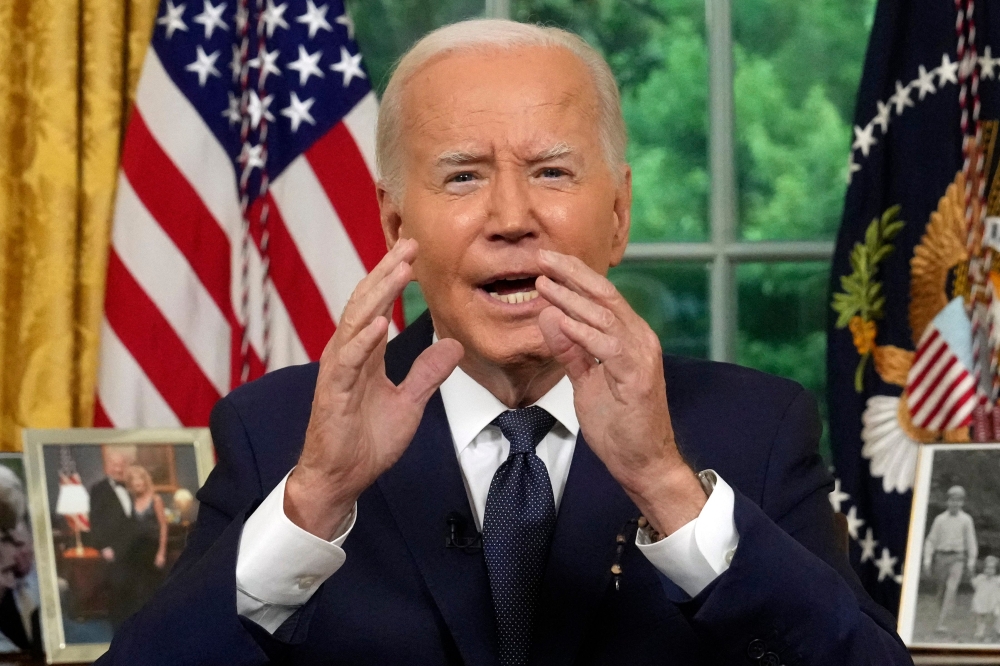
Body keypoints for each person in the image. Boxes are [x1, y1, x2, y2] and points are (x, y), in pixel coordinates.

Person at [98, 19, 911, 665]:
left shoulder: (756, 428)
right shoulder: (276, 432)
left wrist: (666, 484)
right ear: (393, 223)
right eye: (462, 175)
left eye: (552, 172)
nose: (512, 216)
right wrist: (313, 503)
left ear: (619, 215)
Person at [88, 446, 138, 629]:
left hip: (135, 550)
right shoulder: (98, 489)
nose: (118, 469)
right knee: (118, 593)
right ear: (107, 466)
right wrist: (104, 547)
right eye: (114, 465)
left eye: (122, 464)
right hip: (114, 551)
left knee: (137, 593)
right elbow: (95, 521)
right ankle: (118, 634)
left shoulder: (134, 485)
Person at [923, 485, 978, 634]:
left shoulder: (966, 520)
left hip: (958, 558)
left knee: (951, 589)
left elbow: (971, 542)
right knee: (941, 591)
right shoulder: (940, 519)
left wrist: (971, 561)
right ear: (948, 501)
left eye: (959, 501)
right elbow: (931, 541)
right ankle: (941, 617)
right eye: (952, 500)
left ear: (962, 503)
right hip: (941, 557)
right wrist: (928, 560)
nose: (955, 503)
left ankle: (942, 623)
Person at [122, 465, 168, 608]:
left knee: (154, 587)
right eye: (134, 482)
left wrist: (161, 552)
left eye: (140, 481)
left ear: (145, 482)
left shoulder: (156, 500)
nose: (138, 484)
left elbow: (163, 526)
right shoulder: (131, 502)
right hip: (136, 549)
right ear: (131, 485)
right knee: (138, 588)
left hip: (152, 548)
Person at [971, 555, 1000, 640]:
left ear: (996, 569)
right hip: (982, 601)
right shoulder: (980, 578)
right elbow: (974, 584)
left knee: (996, 616)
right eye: (987, 568)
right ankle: (980, 632)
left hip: (994, 602)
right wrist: (971, 574)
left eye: (992, 568)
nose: (989, 570)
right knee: (981, 617)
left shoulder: (997, 580)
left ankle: (996, 631)